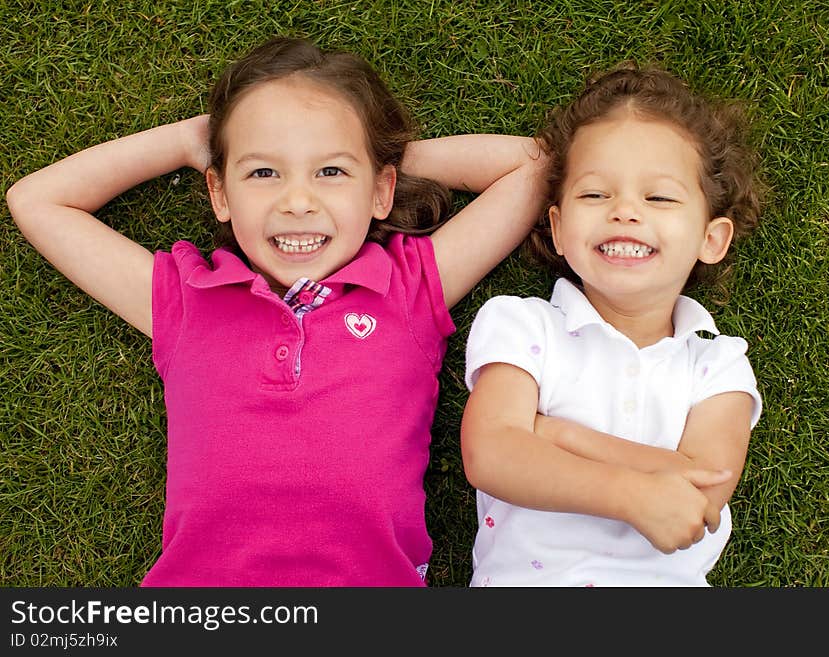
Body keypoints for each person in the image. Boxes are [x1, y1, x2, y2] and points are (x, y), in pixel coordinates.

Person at [6, 36, 546, 586]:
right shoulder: (189, 297)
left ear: (383, 192)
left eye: (329, 174)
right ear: (219, 193)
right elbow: (39, 201)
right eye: (263, 173)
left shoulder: (406, 288)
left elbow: (536, 166)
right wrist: (188, 142)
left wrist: (375, 155)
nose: (297, 200)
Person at [460, 63, 763, 586]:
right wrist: (631, 493)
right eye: (595, 195)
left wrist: (558, 435)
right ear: (558, 228)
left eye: (660, 197)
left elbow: (700, 495)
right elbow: (490, 453)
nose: (624, 211)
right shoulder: (523, 326)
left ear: (711, 240)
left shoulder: (719, 367)